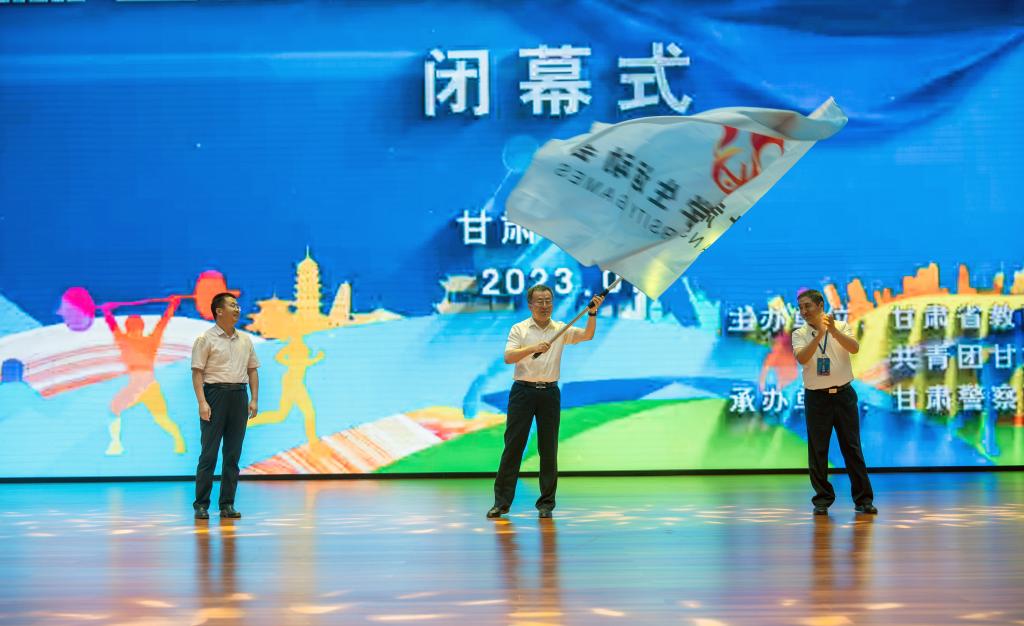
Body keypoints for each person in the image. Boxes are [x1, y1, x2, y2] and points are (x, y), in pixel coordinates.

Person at [487, 284, 604, 520]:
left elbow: (587, 335)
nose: (544, 305)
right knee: (513, 448)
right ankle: (501, 503)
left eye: (548, 301)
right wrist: (533, 348)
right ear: (530, 305)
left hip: (549, 393)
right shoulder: (519, 329)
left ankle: (546, 504)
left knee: (548, 449)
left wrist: (592, 313)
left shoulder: (560, 329)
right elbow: (508, 357)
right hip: (523, 392)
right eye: (539, 301)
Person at [791, 289, 877, 516]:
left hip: (843, 395)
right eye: (800, 308)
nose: (804, 311)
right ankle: (822, 500)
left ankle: (863, 500)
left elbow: (854, 348)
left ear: (820, 305)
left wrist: (832, 332)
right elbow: (802, 358)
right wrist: (818, 335)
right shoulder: (799, 333)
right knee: (818, 450)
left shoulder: (841, 326)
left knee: (852, 448)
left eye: (807, 306)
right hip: (816, 398)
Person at [190, 293, 260, 520]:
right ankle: (201, 504)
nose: (237, 309)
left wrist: (254, 399)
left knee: (232, 455)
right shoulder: (205, 339)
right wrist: (202, 402)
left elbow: (252, 370)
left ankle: (227, 504)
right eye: (232, 305)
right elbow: (197, 373)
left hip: (239, 395)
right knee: (209, 454)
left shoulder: (245, 340)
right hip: (215, 395)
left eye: (237, 305)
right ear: (219, 311)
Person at [102, 297, 186, 456]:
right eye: (133, 329)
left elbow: (163, 323)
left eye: (136, 329)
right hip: (142, 386)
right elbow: (163, 322)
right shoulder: (131, 340)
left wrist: (107, 311)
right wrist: (172, 305)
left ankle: (178, 439)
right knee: (116, 410)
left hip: (144, 386)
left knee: (160, 418)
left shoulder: (131, 340)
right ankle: (116, 444)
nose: (135, 332)